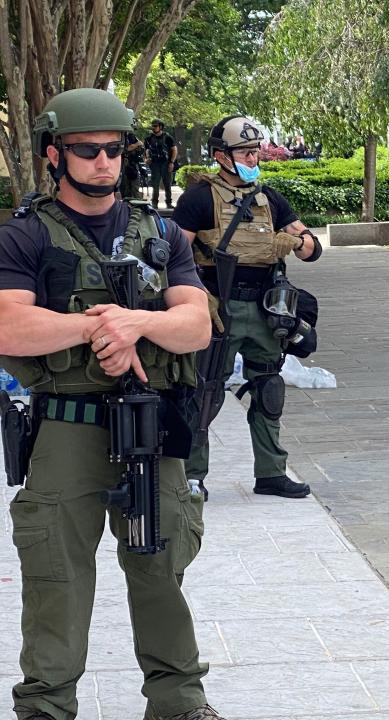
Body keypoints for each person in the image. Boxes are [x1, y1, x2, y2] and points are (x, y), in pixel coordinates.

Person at [0, 88, 223, 720]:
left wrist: (135, 324)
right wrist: (103, 328)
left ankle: (179, 702)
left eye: (114, 149)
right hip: (67, 428)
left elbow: (196, 326)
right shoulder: (24, 237)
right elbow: (9, 328)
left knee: (159, 563)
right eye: (87, 150)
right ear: (54, 153)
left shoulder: (163, 234)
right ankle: (45, 706)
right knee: (56, 580)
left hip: (150, 421)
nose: (104, 161)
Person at [172, 115, 322, 500]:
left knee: (269, 387)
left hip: (266, 307)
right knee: (204, 392)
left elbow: (312, 249)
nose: (253, 158)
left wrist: (295, 242)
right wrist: (193, 294)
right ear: (221, 156)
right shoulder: (199, 199)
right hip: (219, 308)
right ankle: (191, 476)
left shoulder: (269, 199)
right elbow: (172, 254)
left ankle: (271, 472)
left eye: (255, 150)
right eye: (244, 151)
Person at [144, 118, 177, 208]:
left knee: (167, 184)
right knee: (155, 184)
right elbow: (146, 150)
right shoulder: (148, 138)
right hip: (154, 163)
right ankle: (154, 203)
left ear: (160, 127)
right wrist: (147, 159)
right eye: (152, 126)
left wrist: (171, 162)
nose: (153, 128)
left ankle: (169, 203)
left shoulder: (168, 137)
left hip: (165, 163)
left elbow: (174, 150)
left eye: (155, 126)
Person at [120, 130, 145, 199]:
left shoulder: (131, 136)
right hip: (123, 166)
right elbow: (126, 149)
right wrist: (135, 145)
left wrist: (135, 146)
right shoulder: (120, 136)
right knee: (125, 189)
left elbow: (141, 145)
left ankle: (136, 206)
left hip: (133, 165)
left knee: (135, 188)